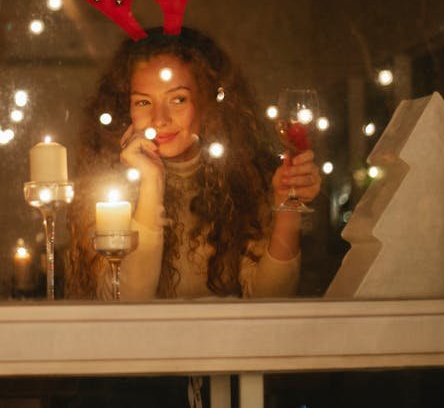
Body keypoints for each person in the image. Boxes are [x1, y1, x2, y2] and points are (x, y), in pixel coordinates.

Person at [65, 27, 321, 300]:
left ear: (206, 102)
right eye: (143, 102)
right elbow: (126, 302)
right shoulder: (103, 191)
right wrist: (152, 183)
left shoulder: (244, 180)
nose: (160, 119)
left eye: (178, 99)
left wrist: (287, 207)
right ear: (125, 108)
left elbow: (270, 301)